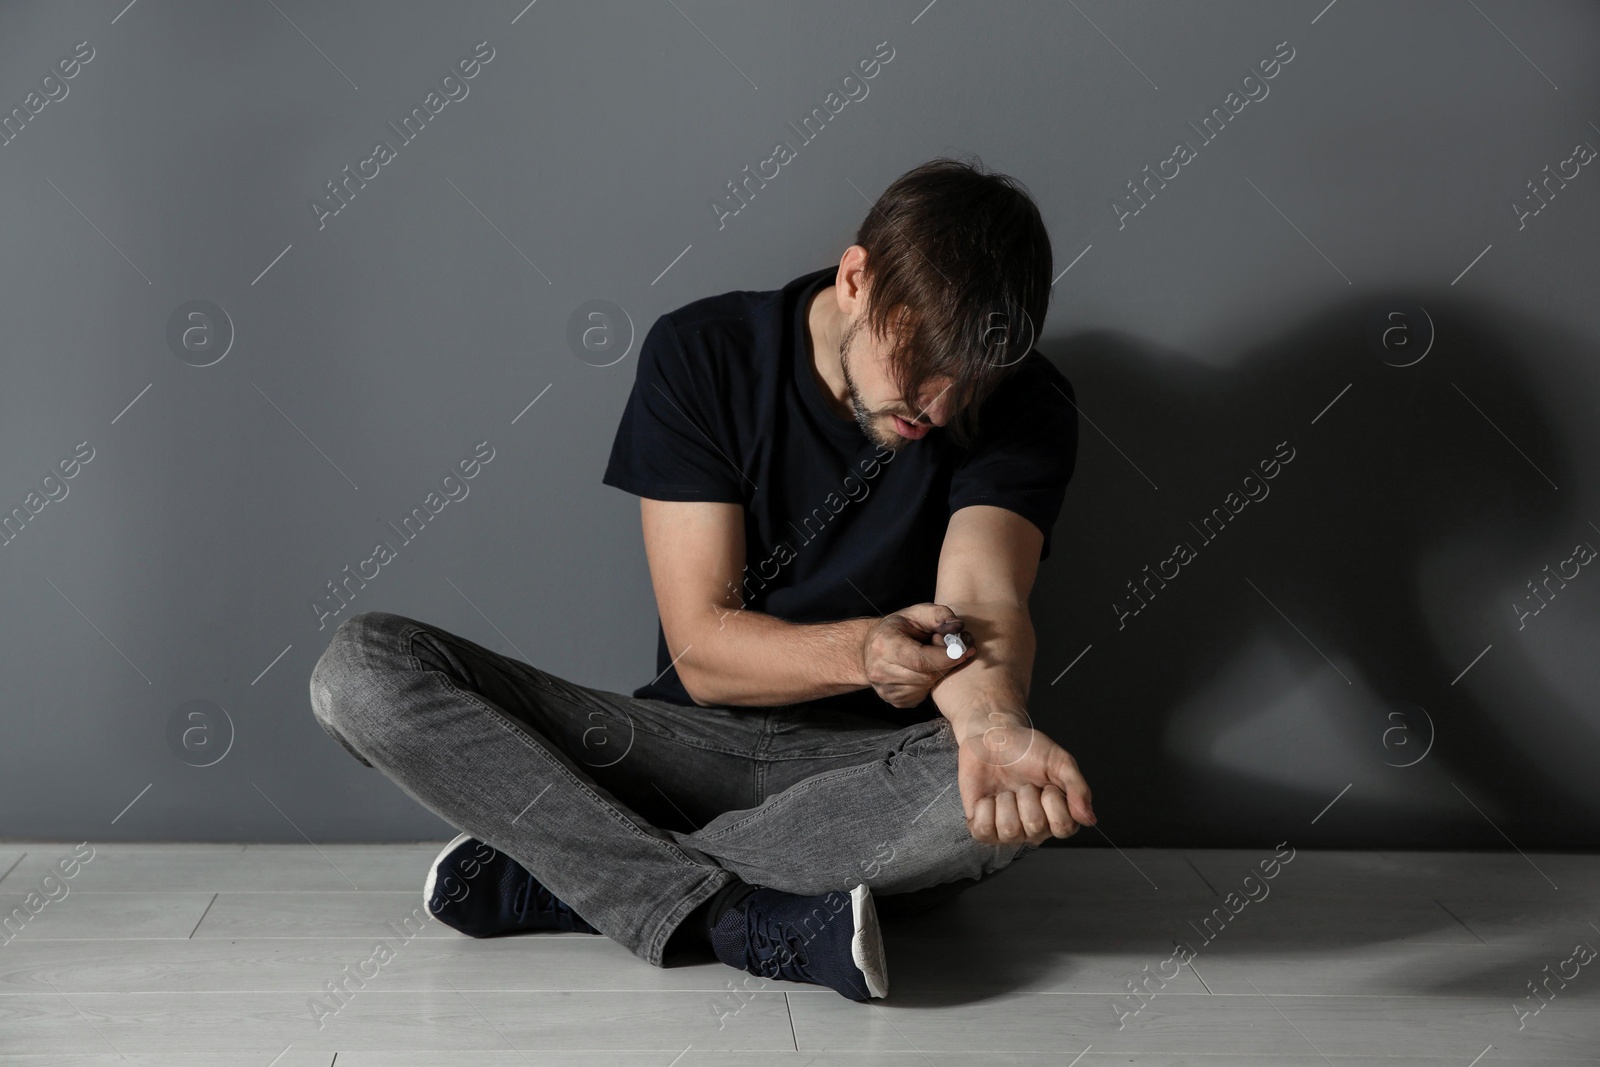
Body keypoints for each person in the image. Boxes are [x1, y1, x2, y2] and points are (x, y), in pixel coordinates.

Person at [308, 156, 1097, 1003]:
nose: (936, 410)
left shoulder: (1028, 405)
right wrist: (866, 652)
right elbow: (703, 649)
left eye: (965, 387)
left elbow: (982, 600)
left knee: (991, 799)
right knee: (360, 671)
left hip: (867, 772)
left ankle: (579, 876)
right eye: (922, 368)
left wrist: (988, 726)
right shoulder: (705, 354)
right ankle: (734, 915)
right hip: (679, 750)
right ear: (858, 279)